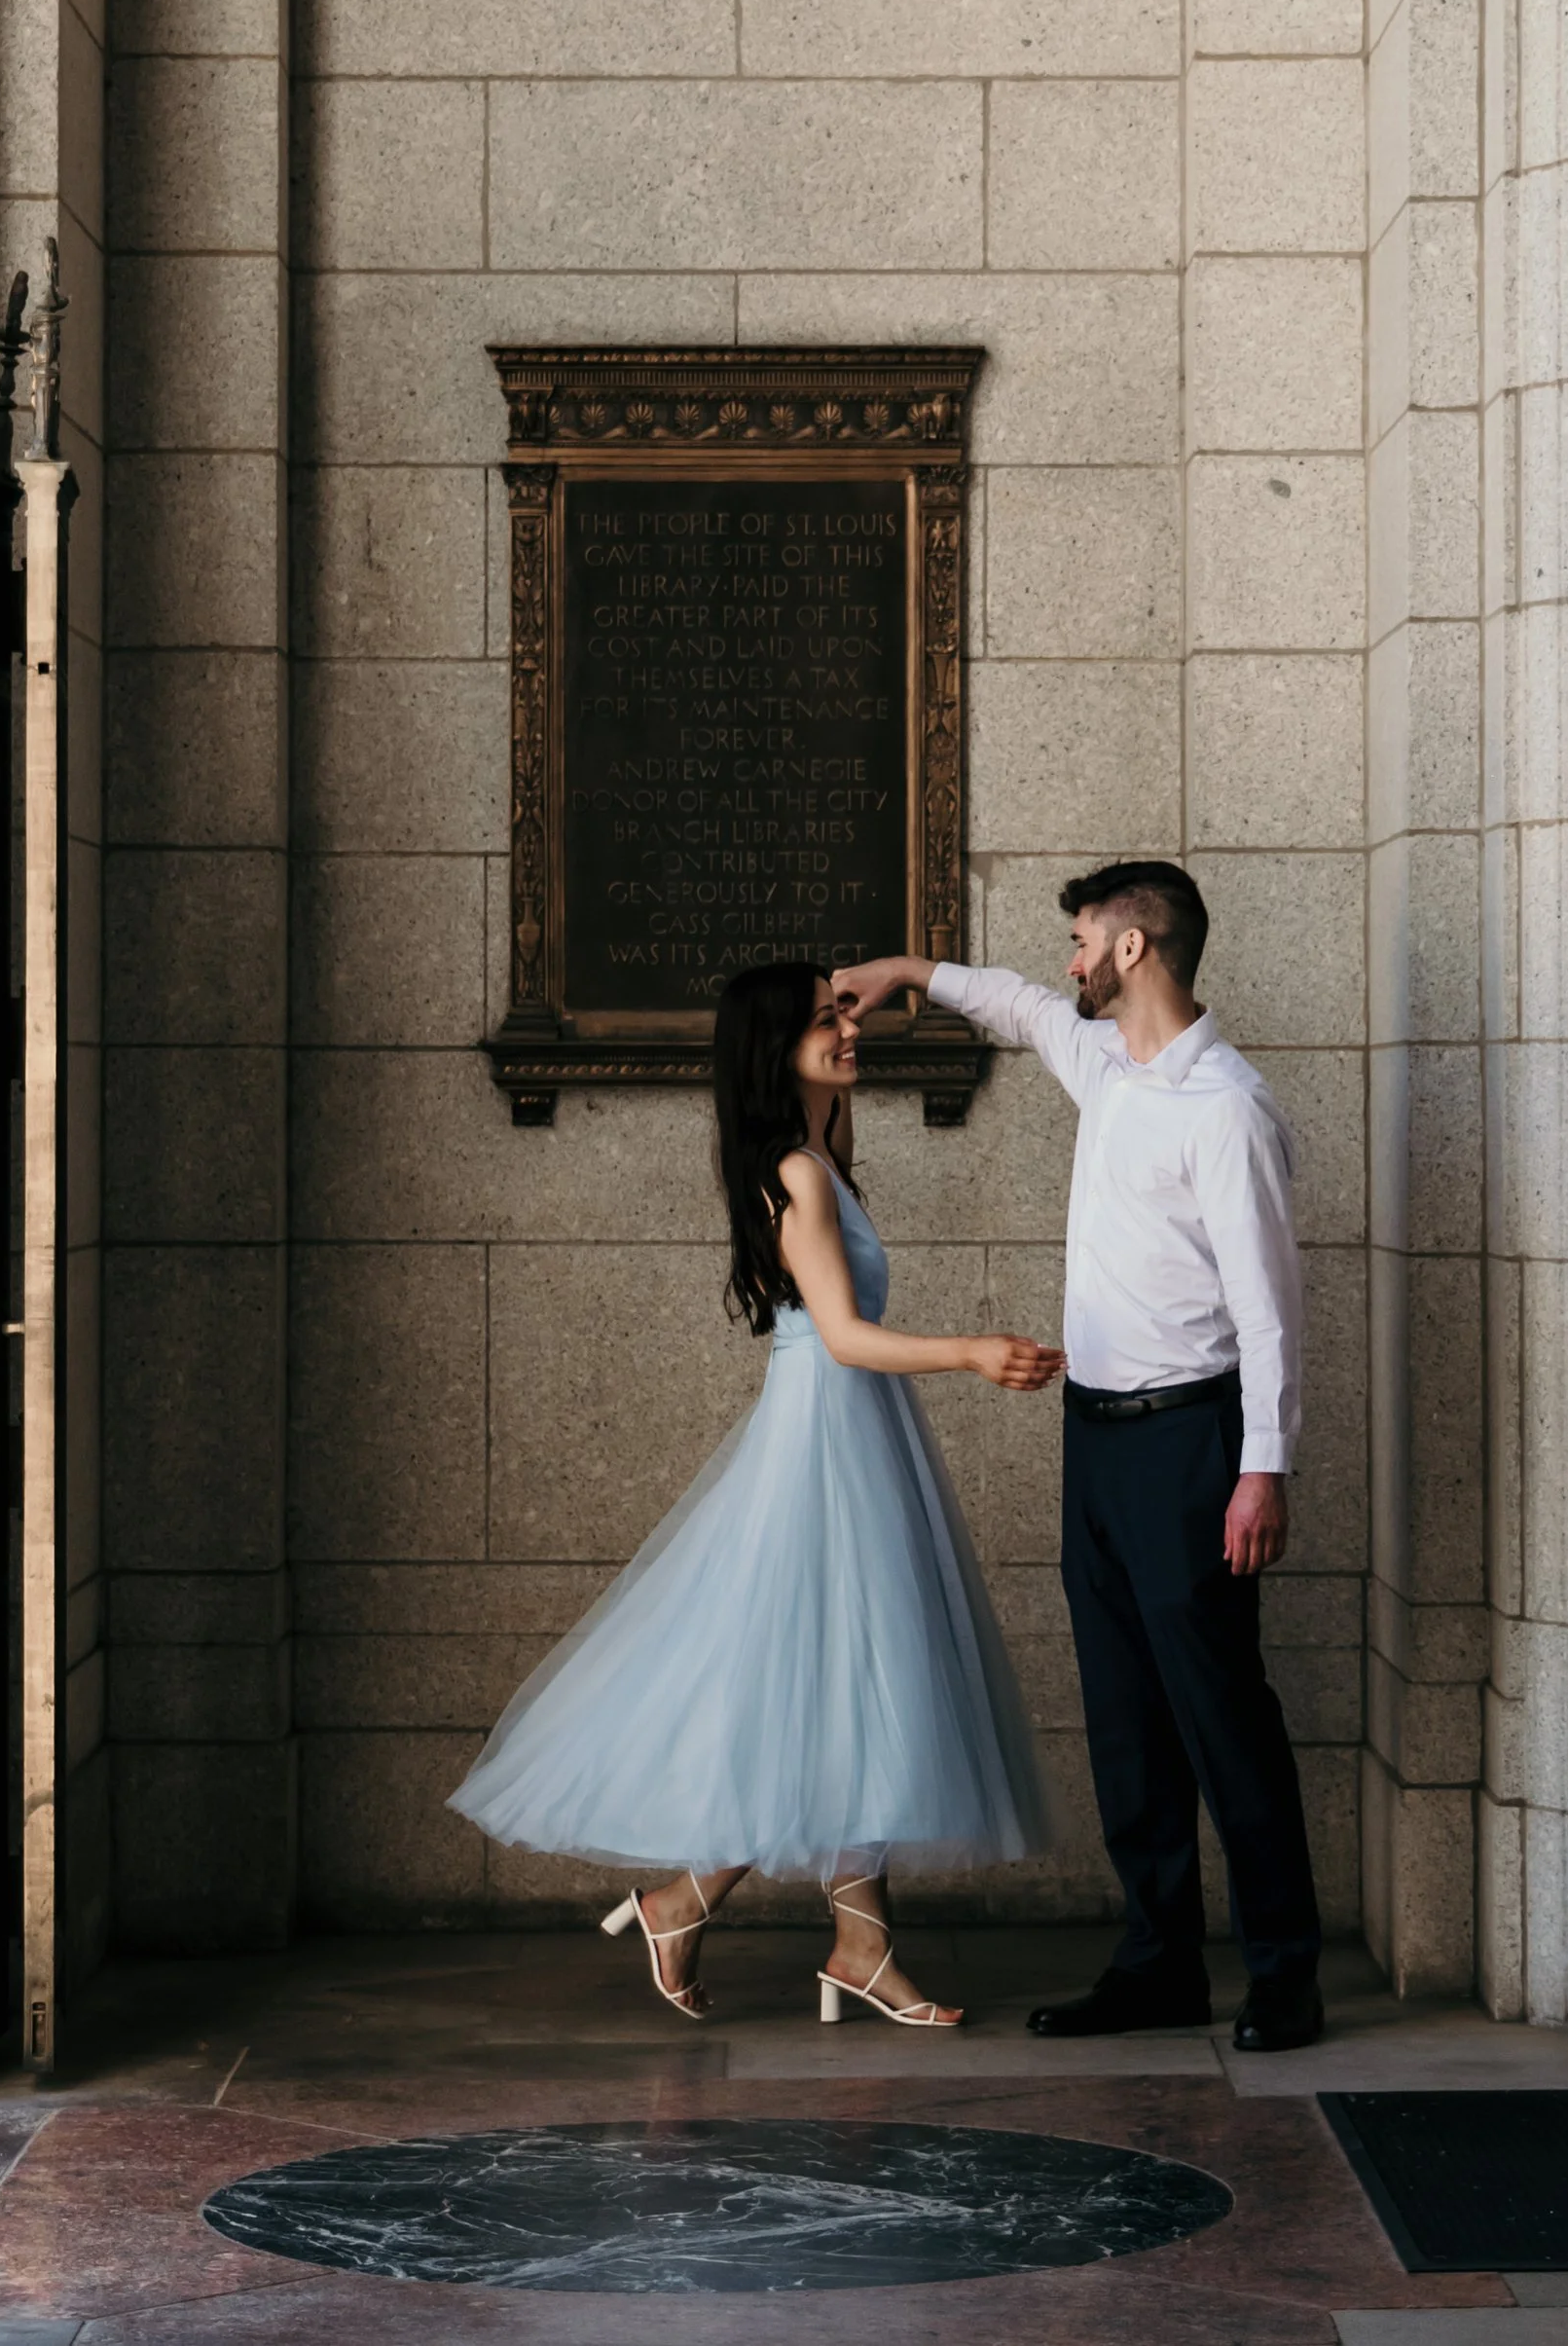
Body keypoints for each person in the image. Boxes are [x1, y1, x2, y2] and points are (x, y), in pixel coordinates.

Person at [450, 960, 1059, 2029]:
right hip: (829, 1434)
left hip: (846, 1432)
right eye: (826, 1022)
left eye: (844, 1016)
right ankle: (735, 1912)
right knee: (844, 1674)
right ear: (776, 1048)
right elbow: (843, 1336)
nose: (849, 1032)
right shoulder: (803, 1172)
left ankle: (782, 1925)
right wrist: (970, 1350)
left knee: (848, 1682)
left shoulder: (819, 1160)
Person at [837, 860, 1325, 2052]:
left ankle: (1284, 1977)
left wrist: (1263, 1467)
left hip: (1192, 1444)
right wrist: (904, 971)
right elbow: (1010, 1003)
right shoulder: (1105, 1063)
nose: (1064, 962)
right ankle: (1157, 1964)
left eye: (1077, 942)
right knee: (1125, 1720)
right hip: (1095, 1444)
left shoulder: (1227, 1107)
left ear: (1131, 950)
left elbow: (1269, 1311)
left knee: (1222, 1715)